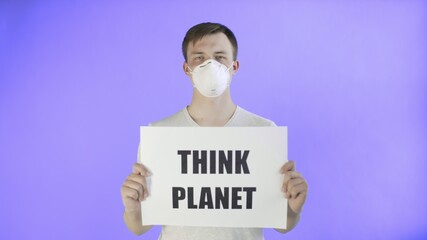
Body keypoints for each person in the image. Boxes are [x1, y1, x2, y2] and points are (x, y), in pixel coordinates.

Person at [120, 22, 308, 240]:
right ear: (186, 68)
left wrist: (293, 208)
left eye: (219, 57)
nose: (209, 64)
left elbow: (282, 223)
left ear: (234, 67)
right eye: (199, 57)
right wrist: (132, 208)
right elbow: (139, 227)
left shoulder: (263, 133)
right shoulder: (160, 134)